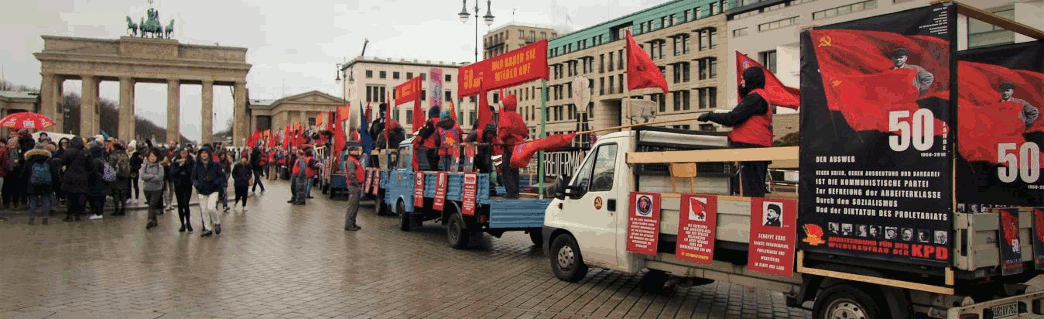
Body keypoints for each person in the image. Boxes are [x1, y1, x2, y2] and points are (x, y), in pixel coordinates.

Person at [698, 67, 773, 197]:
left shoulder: (755, 98)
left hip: (752, 147)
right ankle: (755, 212)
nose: (741, 82)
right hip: (757, 146)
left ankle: (754, 214)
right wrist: (742, 90)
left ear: (751, 79)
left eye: (743, 79)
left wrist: (710, 116)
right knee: (753, 187)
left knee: (752, 189)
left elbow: (732, 118)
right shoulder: (758, 97)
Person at [498, 95, 528, 198]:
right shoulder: (518, 116)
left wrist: (501, 138)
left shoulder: (506, 115)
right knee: (515, 170)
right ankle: (515, 192)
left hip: (509, 146)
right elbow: (525, 131)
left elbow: (505, 129)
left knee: (506, 169)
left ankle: (510, 192)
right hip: (518, 147)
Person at [192, 148, 224, 237]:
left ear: (209, 154)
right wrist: (196, 184)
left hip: (213, 189)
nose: (204, 155)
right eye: (202, 153)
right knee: (204, 210)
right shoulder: (197, 166)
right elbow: (193, 178)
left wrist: (215, 181)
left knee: (211, 207)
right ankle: (208, 228)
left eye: (206, 153)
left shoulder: (216, 165)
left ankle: (217, 222)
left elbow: (222, 176)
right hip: (202, 190)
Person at [25, 144, 57, 225]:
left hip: (32, 183)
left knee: (33, 200)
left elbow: (24, 173)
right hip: (46, 183)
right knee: (45, 199)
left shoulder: (30, 159)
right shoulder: (48, 159)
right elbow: (54, 172)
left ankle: (31, 219)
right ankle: (45, 218)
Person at [140, 149, 165, 229]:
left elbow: (160, 178)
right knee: (151, 205)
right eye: (151, 156)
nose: (152, 158)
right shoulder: (145, 166)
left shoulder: (160, 167)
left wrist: (149, 176)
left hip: (157, 189)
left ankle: (150, 220)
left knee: (152, 204)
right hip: (147, 189)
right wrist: (153, 176)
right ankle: (155, 220)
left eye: (154, 156)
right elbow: (142, 176)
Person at [171, 148, 194, 232]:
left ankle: (188, 222)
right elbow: (173, 173)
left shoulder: (191, 161)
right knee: (180, 205)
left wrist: (186, 165)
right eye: (182, 153)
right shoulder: (175, 162)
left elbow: (192, 172)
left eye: (185, 153)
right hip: (178, 186)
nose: (183, 155)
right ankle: (182, 224)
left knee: (186, 204)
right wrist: (180, 166)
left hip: (187, 185)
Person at [86, 141, 110, 220]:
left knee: (96, 198)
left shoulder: (95, 160)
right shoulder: (103, 159)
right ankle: (100, 213)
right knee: (101, 199)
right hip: (104, 182)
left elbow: (93, 172)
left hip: (96, 183)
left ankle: (98, 213)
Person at [343, 145, 365, 231]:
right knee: (352, 205)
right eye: (355, 150)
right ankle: (348, 224)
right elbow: (351, 174)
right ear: (351, 151)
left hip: (356, 185)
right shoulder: (351, 161)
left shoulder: (355, 160)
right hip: (354, 185)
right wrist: (355, 183)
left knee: (355, 205)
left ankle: (352, 222)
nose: (357, 152)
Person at [108, 142, 131, 216]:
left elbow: (110, 166)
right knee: (123, 193)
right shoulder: (125, 154)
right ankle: (123, 210)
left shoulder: (113, 155)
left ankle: (116, 209)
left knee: (116, 193)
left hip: (116, 176)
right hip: (125, 175)